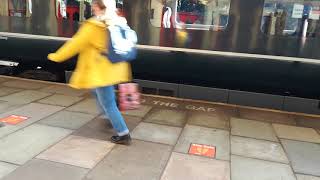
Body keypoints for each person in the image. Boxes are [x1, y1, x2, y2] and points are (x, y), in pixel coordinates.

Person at [48, 0, 132, 145]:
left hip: (100, 71)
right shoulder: (118, 22)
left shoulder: (93, 26)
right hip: (114, 68)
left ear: (100, 8)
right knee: (97, 92)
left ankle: (123, 133)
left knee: (109, 103)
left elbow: (74, 45)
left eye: (95, 5)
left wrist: (57, 56)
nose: (92, 7)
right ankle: (107, 117)